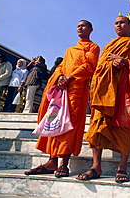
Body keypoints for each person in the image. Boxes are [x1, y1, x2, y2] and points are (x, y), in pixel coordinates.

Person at [24, 20, 100, 178]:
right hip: (62, 90)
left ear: (91, 29)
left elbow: (89, 66)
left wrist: (70, 77)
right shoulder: (70, 50)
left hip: (76, 91)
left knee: (68, 125)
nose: (80, 28)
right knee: (55, 121)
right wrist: (59, 77)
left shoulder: (93, 47)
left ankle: (63, 164)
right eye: (78, 26)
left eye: (83, 26)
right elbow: (61, 66)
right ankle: (52, 161)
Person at [79, 16, 130, 182]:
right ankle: (96, 166)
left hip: (124, 92)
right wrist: (111, 65)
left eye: (122, 23)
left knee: (124, 127)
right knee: (97, 126)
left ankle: (122, 167)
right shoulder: (109, 46)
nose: (119, 25)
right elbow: (99, 68)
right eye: (116, 23)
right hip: (104, 92)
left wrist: (125, 62)